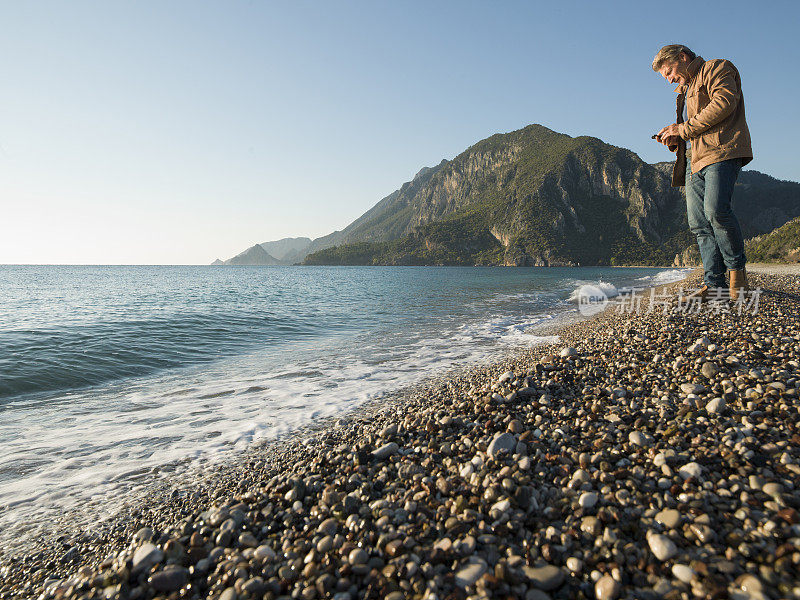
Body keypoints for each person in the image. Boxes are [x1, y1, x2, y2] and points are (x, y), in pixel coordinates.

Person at [652, 44, 753, 301]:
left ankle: (737, 279)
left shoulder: (717, 67)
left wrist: (683, 129)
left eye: (669, 71)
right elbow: (689, 128)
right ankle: (714, 286)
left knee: (717, 211)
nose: (668, 78)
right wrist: (675, 138)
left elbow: (724, 102)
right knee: (698, 224)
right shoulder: (683, 92)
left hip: (721, 152)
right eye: (665, 76)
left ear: (683, 57)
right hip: (693, 160)